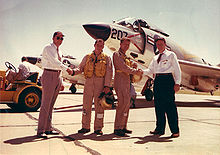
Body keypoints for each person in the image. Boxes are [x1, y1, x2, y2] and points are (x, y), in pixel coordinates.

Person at [67, 39, 113, 135]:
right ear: (94, 45)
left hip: (100, 83)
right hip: (88, 82)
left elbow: (109, 72)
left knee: (99, 106)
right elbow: (80, 68)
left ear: (103, 47)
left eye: (101, 45)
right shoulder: (87, 57)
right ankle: (85, 126)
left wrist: (107, 85)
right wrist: (73, 72)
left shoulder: (107, 58)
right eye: (98, 45)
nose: (99, 47)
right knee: (86, 105)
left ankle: (98, 128)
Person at [143, 37, 181, 138]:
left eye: (161, 44)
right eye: (157, 44)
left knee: (170, 107)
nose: (159, 46)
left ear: (165, 44)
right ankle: (159, 129)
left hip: (168, 80)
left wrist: (177, 83)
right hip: (158, 81)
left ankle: (175, 130)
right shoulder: (155, 58)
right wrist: (140, 71)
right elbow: (150, 70)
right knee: (158, 106)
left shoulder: (171, 55)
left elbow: (177, 69)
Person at [37, 31, 69, 138]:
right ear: (53, 38)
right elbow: (55, 62)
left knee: (51, 104)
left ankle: (48, 128)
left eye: (62, 38)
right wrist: (68, 69)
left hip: (57, 76)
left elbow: (59, 65)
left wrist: (61, 81)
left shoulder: (60, 51)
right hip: (49, 74)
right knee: (46, 104)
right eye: (58, 38)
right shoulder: (48, 48)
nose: (60, 40)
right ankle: (41, 130)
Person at [113, 38, 143, 136]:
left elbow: (127, 67)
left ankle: (123, 126)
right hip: (120, 80)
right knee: (122, 103)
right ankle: (117, 128)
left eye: (128, 45)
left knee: (127, 103)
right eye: (124, 44)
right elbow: (122, 67)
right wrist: (135, 71)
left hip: (126, 80)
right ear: (120, 44)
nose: (126, 46)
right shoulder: (116, 54)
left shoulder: (126, 56)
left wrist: (133, 66)